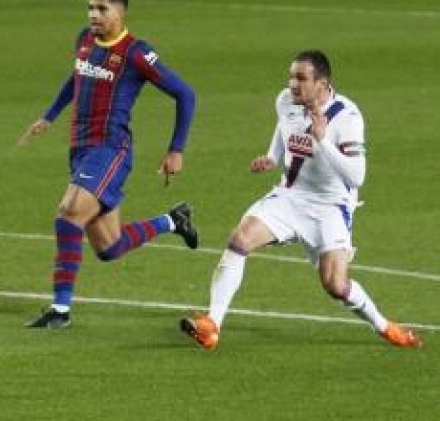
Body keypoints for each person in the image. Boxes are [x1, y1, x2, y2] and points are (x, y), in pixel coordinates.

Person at [180, 51, 421, 350]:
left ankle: (385, 327)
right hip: (290, 197)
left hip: (330, 207)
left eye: (301, 78)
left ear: (322, 84)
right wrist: (271, 157)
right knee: (239, 239)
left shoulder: (347, 117)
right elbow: (284, 128)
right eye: (291, 76)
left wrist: (322, 140)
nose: (293, 84)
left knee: (335, 285)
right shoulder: (286, 101)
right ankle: (212, 325)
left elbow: (357, 176)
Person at [17, 0, 198, 329]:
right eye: (91, 8)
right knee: (108, 247)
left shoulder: (136, 53)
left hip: (111, 148)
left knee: (68, 214)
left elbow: (186, 95)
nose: (94, 16)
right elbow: (77, 77)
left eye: (102, 9)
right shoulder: (84, 40)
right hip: (81, 149)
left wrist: (176, 149)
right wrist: (49, 116)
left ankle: (60, 310)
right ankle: (173, 221)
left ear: (121, 12)